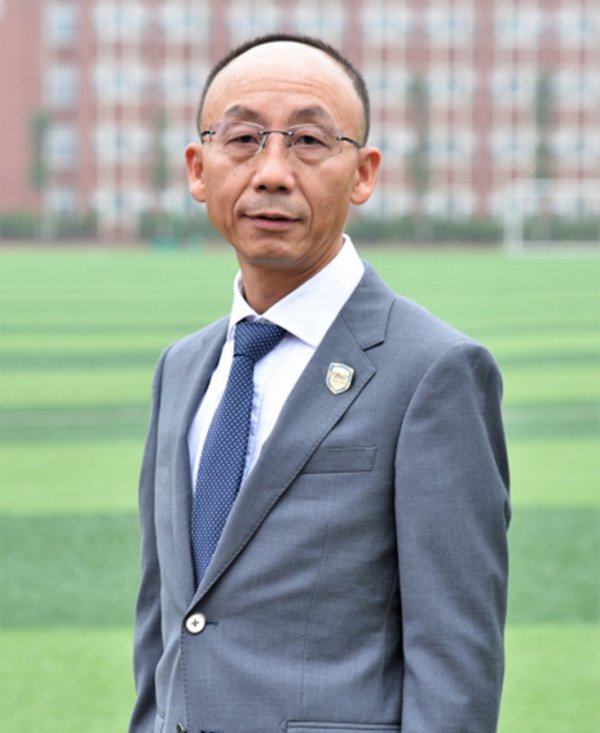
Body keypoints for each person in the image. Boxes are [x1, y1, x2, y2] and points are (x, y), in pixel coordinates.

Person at [130, 33, 510, 733]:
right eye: (242, 139)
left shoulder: (435, 372)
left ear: (363, 174)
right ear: (198, 169)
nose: (273, 172)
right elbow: (166, 627)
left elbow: (455, 666)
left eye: (308, 140)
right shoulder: (181, 369)